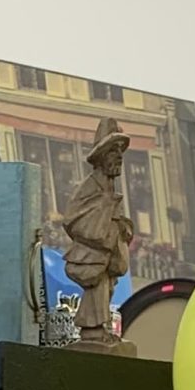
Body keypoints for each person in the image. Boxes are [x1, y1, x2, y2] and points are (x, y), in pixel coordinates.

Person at [60, 118, 135, 346]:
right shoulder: (90, 186)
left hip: (109, 256)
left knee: (107, 288)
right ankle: (92, 329)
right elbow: (72, 218)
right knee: (97, 290)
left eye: (121, 151)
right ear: (102, 156)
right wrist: (103, 212)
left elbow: (117, 219)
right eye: (114, 151)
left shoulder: (110, 187)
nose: (119, 157)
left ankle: (99, 327)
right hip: (94, 255)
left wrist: (123, 227)